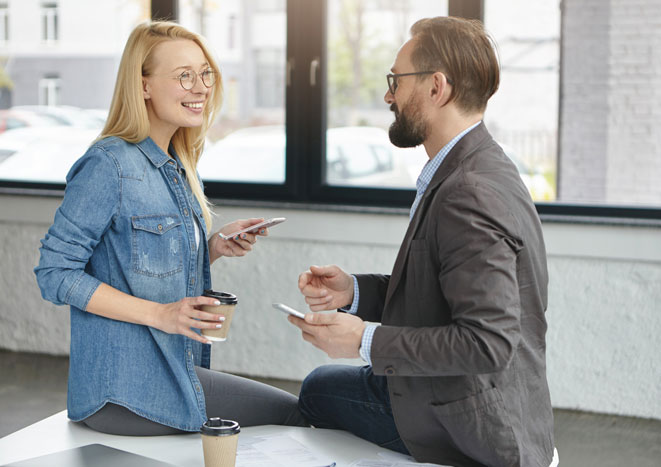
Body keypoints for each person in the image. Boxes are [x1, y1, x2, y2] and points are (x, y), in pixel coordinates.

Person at [289, 17, 557, 467]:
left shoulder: (467, 191)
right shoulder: (481, 165)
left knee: (317, 391)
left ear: (437, 88)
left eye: (396, 80)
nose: (389, 95)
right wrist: (354, 292)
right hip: (481, 399)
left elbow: (487, 342)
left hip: (475, 423)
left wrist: (365, 341)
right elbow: (447, 288)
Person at [34, 21, 305, 436]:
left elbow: (140, 258)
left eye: (205, 73)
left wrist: (211, 246)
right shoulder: (108, 165)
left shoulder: (174, 163)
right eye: (184, 76)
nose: (200, 87)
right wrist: (160, 314)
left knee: (295, 412)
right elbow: (54, 274)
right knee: (297, 413)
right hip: (123, 389)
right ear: (143, 86)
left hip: (172, 372)